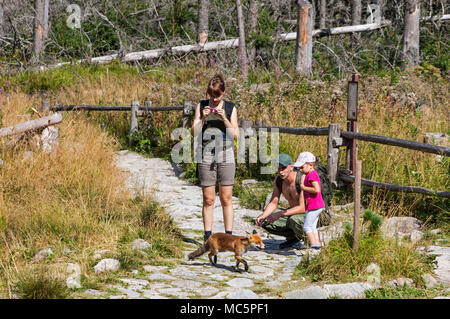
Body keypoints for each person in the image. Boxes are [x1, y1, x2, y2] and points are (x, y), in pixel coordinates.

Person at [191, 74, 239, 242]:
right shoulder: (201, 105)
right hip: (206, 153)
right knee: (208, 198)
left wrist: (224, 118)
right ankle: (207, 235)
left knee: (226, 197)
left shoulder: (230, 107)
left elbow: (235, 135)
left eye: (217, 95)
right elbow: (194, 132)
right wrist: (203, 117)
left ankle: (229, 235)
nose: (214, 99)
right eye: (211, 95)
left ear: (223, 92)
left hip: (225, 153)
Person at [255, 153, 307, 249]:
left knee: (294, 220)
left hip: (311, 213)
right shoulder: (279, 180)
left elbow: (303, 207)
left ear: (291, 167)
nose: (281, 172)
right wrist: (263, 216)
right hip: (294, 213)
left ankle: (310, 242)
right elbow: (274, 202)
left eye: (283, 168)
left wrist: (280, 214)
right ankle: (293, 237)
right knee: (266, 220)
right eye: (278, 168)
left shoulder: (301, 180)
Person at [294, 152, 325, 250]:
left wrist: (303, 187)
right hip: (315, 205)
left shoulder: (312, 175)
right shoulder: (309, 174)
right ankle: (317, 244)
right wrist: (303, 178)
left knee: (306, 226)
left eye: (302, 167)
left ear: (310, 165)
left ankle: (314, 246)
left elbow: (316, 190)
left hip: (315, 205)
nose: (300, 170)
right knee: (313, 226)